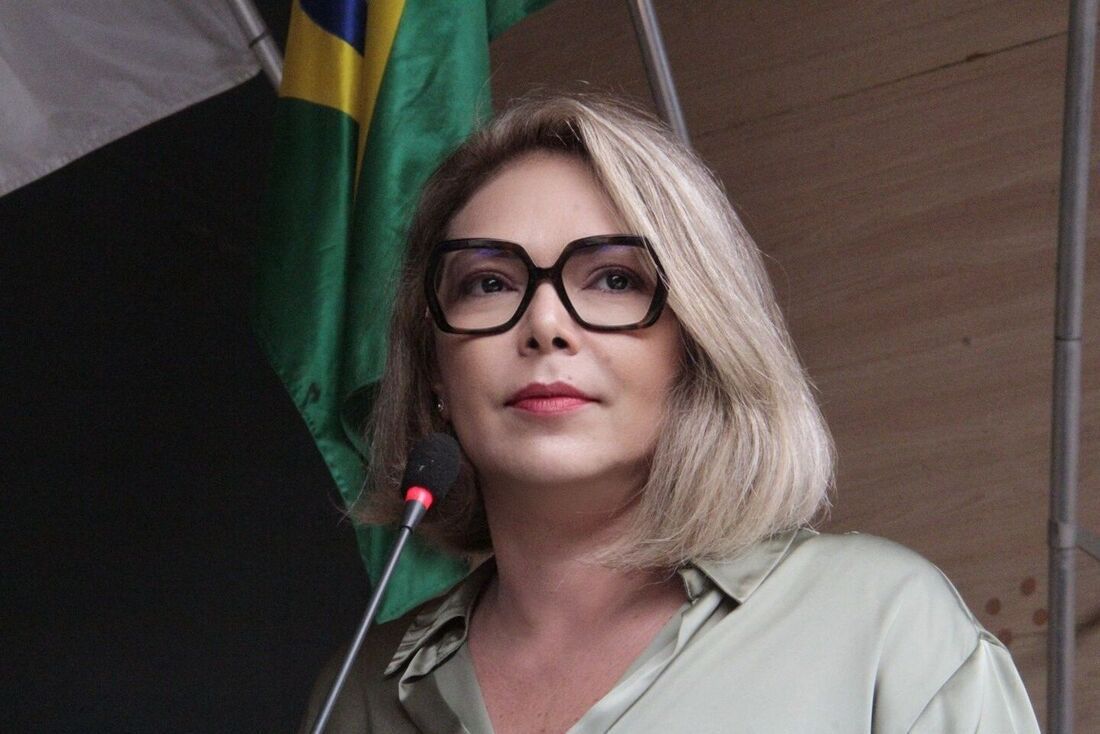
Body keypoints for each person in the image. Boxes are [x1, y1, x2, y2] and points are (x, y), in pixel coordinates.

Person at [299, 95, 1040, 733]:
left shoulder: (882, 622)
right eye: (489, 283)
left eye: (613, 278)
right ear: (434, 366)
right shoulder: (358, 692)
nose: (546, 325)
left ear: (696, 341)